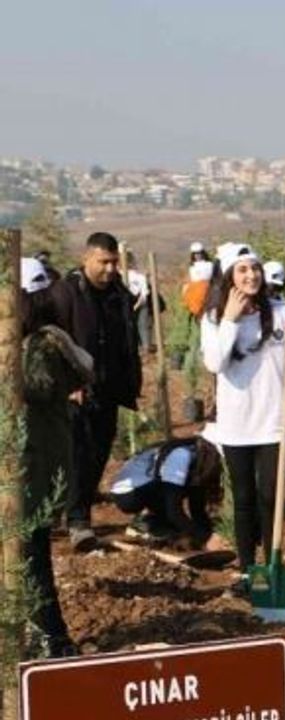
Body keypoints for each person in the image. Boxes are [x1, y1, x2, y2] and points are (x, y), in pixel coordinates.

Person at [200, 242, 285, 579]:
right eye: (243, 269)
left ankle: (271, 559)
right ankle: (249, 570)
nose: (252, 275)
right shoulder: (213, 318)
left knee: (271, 495)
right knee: (244, 496)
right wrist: (230, 320)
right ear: (229, 276)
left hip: (272, 421)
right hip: (236, 424)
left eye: (255, 268)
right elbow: (215, 363)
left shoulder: (282, 311)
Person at [49, 232, 142, 552]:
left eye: (114, 262)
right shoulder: (65, 294)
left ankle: (75, 512)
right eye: (103, 262)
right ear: (86, 258)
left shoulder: (119, 294)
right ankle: (76, 521)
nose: (109, 269)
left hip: (109, 389)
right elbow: (51, 341)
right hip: (75, 392)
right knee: (75, 454)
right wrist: (67, 382)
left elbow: (128, 341)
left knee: (98, 454)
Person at [20, 258, 93, 657]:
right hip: (32, 467)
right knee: (29, 557)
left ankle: (53, 638)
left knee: (31, 558)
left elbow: (33, 388)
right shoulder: (38, 343)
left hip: (32, 471)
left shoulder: (42, 346)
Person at [110, 436, 224, 549]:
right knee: (177, 514)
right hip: (129, 494)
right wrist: (206, 538)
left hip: (149, 487)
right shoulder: (181, 455)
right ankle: (148, 523)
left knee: (192, 491)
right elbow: (174, 511)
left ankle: (158, 523)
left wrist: (209, 533)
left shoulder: (198, 460)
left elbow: (197, 509)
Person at [125, 252, 156, 355]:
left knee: (143, 325)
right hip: (128, 303)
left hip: (140, 303)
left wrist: (136, 305)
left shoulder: (139, 277)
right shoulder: (120, 275)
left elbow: (144, 294)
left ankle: (146, 347)